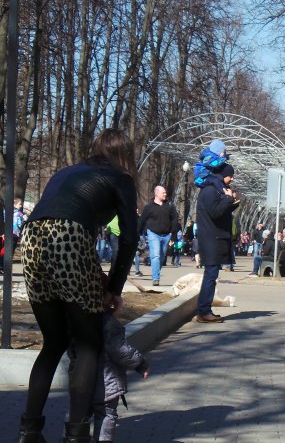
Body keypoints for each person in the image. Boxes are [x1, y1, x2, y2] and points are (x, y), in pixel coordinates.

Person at [17, 129, 138, 443]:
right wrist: (114, 288)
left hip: (32, 237)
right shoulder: (121, 177)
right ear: (125, 154)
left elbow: (66, 227)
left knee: (54, 342)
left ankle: (29, 431)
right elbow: (128, 237)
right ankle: (77, 434)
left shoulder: (67, 172)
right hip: (69, 236)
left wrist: (102, 281)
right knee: (88, 343)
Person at [68, 298, 149, 443]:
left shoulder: (74, 320)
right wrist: (140, 364)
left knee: (78, 412)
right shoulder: (108, 323)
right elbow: (120, 350)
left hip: (80, 381)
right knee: (106, 414)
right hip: (106, 383)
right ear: (110, 301)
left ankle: (71, 437)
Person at [195, 163, 239, 323]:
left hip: (212, 237)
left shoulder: (213, 188)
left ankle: (204, 310)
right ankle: (203, 311)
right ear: (223, 174)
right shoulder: (211, 190)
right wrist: (228, 199)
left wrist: (231, 202)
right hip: (210, 238)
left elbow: (218, 211)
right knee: (211, 275)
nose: (232, 178)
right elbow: (215, 212)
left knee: (212, 275)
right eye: (231, 175)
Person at [138, 186, 179, 286]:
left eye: (165, 192)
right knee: (155, 255)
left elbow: (174, 220)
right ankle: (155, 278)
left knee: (161, 256)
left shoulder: (170, 205)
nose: (165, 194)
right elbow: (142, 220)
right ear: (156, 194)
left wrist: (173, 235)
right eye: (163, 193)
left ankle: (156, 271)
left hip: (166, 235)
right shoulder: (149, 206)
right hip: (153, 234)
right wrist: (137, 234)